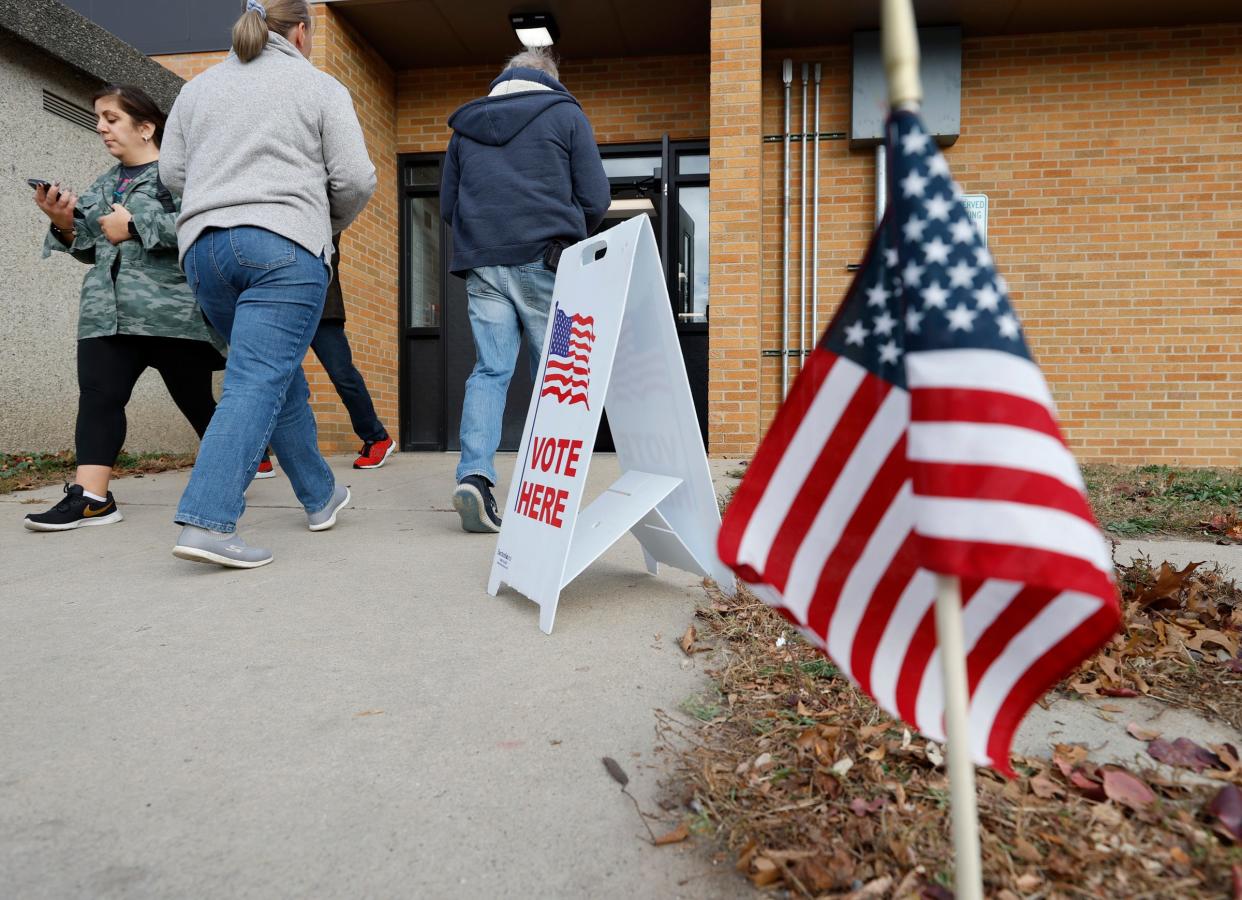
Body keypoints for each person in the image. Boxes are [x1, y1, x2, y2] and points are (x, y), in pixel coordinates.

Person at [160, 0, 376, 568]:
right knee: (257, 380)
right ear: (301, 32)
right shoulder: (318, 86)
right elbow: (354, 178)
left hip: (205, 252)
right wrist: (321, 223)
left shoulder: (198, 89)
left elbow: (171, 174)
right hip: (282, 245)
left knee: (273, 377)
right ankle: (208, 520)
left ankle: (320, 494)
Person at [24, 84, 225, 533]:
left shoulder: (180, 175)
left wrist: (134, 223)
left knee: (195, 402)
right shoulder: (104, 182)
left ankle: (241, 465)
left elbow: (206, 223)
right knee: (99, 397)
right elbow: (93, 248)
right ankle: (92, 498)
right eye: (99, 119)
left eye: (111, 118)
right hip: (105, 313)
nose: (101, 128)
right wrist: (64, 223)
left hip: (171, 314)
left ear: (146, 127)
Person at [440, 47, 610, 533]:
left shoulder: (464, 127)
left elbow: (449, 204)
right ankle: (546, 491)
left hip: (484, 265)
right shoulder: (565, 115)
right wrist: (571, 234)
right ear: (550, 80)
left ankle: (474, 475)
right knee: (553, 373)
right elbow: (596, 197)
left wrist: (487, 238)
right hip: (547, 260)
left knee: (490, 370)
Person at [256, 235, 394, 479]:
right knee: (269, 378)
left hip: (322, 306)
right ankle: (259, 455)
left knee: (342, 374)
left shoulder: (318, 205)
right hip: (281, 303)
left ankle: (377, 437)